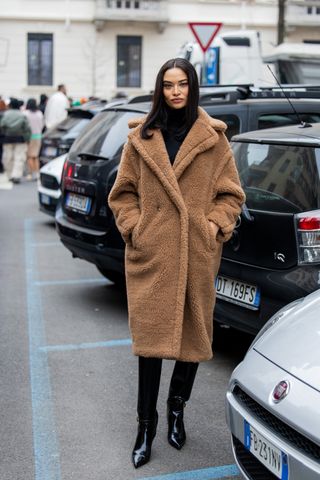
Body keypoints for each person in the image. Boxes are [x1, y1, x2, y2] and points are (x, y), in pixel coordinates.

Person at [108, 58, 245, 469]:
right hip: (152, 257)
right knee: (149, 348)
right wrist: (137, 229)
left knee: (189, 344)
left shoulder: (213, 140)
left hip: (195, 257)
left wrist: (211, 228)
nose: (175, 92)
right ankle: (145, 427)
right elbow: (122, 194)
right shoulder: (142, 138)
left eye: (182, 84)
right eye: (168, 85)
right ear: (159, 89)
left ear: (192, 87)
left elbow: (232, 195)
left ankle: (176, 412)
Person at [0, 98, 31, 183]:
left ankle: (10, 175)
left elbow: (1, 125)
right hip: (20, 138)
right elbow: (27, 128)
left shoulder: (5, 114)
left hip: (7, 138)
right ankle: (16, 175)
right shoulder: (22, 115)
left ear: (10, 105)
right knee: (19, 157)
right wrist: (27, 139)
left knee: (7, 157)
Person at [24, 98, 44, 180]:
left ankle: (30, 173)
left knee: (29, 156)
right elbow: (42, 125)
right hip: (38, 136)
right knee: (35, 156)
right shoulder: (39, 113)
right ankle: (37, 173)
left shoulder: (25, 114)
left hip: (29, 137)